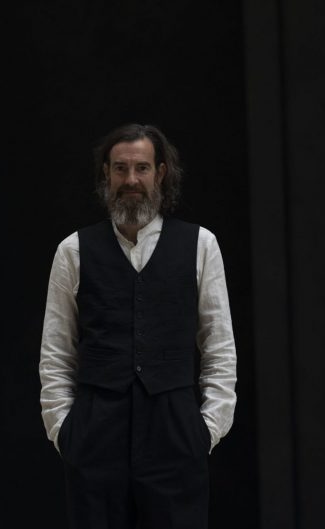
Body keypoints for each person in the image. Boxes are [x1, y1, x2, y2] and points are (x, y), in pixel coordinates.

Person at [39, 123, 237, 529]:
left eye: (141, 168)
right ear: (106, 175)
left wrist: (206, 431)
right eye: (120, 168)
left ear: (160, 173)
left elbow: (219, 346)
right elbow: (56, 352)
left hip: (175, 434)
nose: (131, 180)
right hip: (95, 437)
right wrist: (64, 431)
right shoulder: (73, 251)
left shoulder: (201, 245)